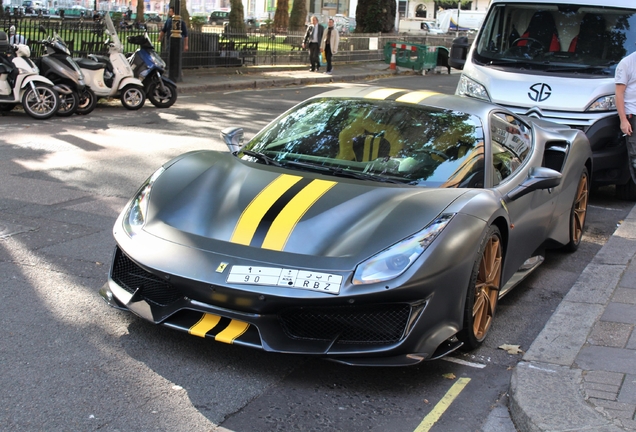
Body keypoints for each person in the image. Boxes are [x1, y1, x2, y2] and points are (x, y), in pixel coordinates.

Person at [616, 51, 636, 179]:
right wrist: (623, 120)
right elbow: (619, 94)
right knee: (635, 157)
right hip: (633, 115)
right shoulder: (626, 63)